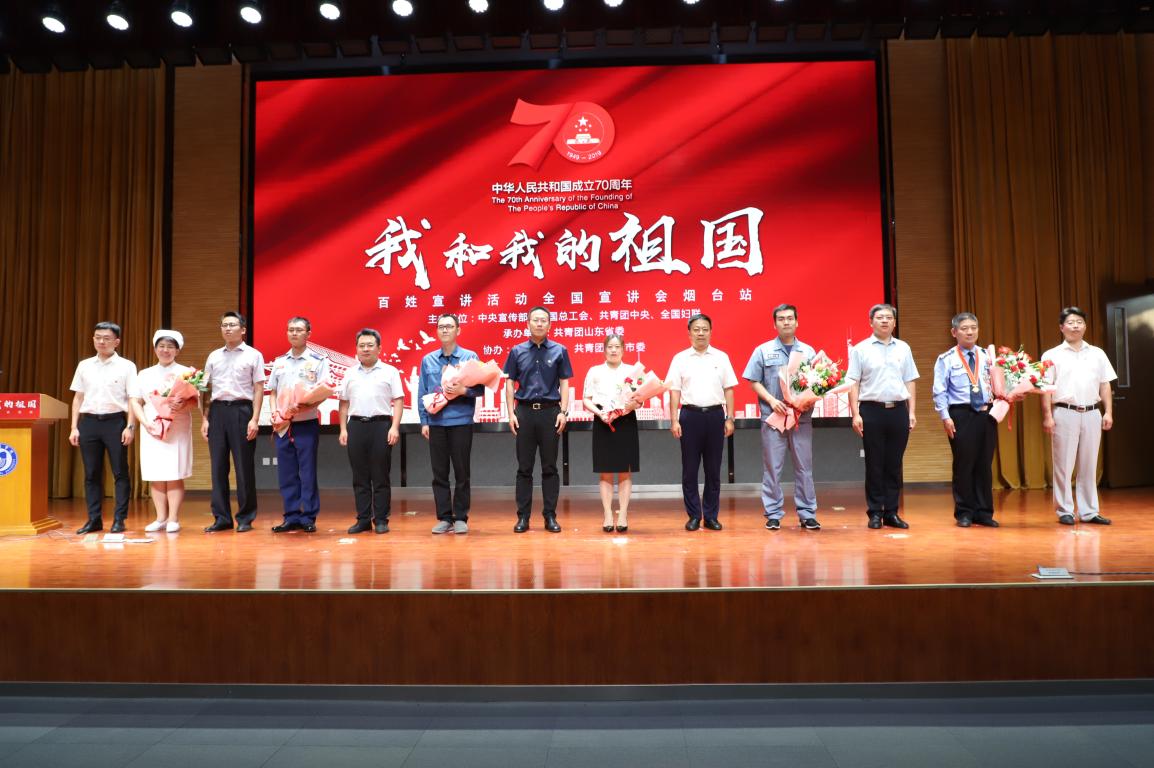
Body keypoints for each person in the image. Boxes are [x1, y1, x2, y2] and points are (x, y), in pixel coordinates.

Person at [742, 303, 821, 531]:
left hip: (800, 419)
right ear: (774, 324)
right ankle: (773, 514)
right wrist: (771, 400)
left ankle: (807, 513)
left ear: (797, 322)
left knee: (804, 468)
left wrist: (805, 401)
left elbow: (817, 383)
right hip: (773, 418)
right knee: (772, 468)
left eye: (790, 318)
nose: (786, 322)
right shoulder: (763, 350)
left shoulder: (808, 351)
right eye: (781, 319)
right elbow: (753, 381)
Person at [1041, 306, 1117, 526]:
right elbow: (1045, 388)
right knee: (1063, 464)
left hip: (1092, 412)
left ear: (1085, 326)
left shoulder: (1097, 353)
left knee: (1089, 463)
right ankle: (1064, 510)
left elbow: (1105, 385)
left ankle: (1089, 511)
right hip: (1064, 412)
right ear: (1061, 327)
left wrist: (1108, 412)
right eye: (1070, 322)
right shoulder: (1051, 355)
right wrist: (1047, 416)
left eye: (1079, 322)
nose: (1075, 326)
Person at [847, 303, 919, 529]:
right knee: (875, 464)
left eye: (889, 317)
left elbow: (910, 380)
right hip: (871, 411)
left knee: (894, 464)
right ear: (871, 322)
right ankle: (875, 513)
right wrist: (855, 414)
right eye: (880, 317)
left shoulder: (903, 348)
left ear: (894, 322)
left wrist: (911, 411)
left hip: (898, 411)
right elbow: (853, 383)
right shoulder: (860, 349)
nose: (885, 320)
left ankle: (892, 512)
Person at [503, 306, 573, 533]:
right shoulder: (517, 351)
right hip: (524, 413)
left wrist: (563, 411)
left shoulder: (560, 350)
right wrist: (511, 414)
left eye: (544, 320)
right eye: (535, 320)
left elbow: (564, 383)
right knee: (524, 468)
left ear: (550, 325)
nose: (540, 323)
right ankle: (523, 517)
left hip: (550, 413)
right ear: (528, 324)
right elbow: (509, 383)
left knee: (550, 467)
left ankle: (550, 516)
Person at [667, 314, 738, 532]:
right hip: (690, 416)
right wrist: (674, 420)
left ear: (711, 332)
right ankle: (694, 516)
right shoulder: (680, 359)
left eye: (705, 329)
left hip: (715, 416)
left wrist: (730, 417)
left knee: (713, 470)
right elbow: (674, 391)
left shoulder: (721, 357)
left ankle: (711, 516)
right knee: (689, 470)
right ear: (689, 333)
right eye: (696, 329)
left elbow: (729, 389)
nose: (700, 333)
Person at [68, 321, 137, 535]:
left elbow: (133, 398)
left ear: (117, 342)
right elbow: (78, 398)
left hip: (115, 422)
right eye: (97, 337)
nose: (101, 341)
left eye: (106, 338)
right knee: (91, 474)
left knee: (120, 472)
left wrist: (130, 427)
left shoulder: (127, 366)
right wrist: (74, 427)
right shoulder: (84, 365)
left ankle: (119, 519)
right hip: (88, 423)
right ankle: (94, 519)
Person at [931, 313, 999, 528]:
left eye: (973, 328)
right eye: (964, 328)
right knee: (964, 464)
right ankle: (965, 512)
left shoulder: (988, 357)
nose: (970, 332)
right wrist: (945, 417)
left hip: (987, 414)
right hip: (961, 414)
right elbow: (939, 391)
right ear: (954, 332)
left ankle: (984, 512)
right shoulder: (946, 359)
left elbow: (1000, 384)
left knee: (984, 464)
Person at [201, 311, 265, 533]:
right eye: (224, 325)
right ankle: (222, 518)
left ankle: (246, 517)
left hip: (242, 411)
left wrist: (255, 419)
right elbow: (205, 389)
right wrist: (205, 418)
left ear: (243, 329)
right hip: (217, 412)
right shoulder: (213, 356)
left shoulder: (254, 355)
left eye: (232, 325)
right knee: (218, 467)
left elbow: (259, 389)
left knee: (243, 467)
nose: (227, 328)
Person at [418, 313, 481, 535]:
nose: (445, 330)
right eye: (441, 327)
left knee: (462, 472)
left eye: (449, 326)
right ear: (437, 331)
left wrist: (463, 390)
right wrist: (424, 421)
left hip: (461, 421)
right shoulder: (428, 360)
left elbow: (480, 389)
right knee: (439, 473)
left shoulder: (469, 357)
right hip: (436, 423)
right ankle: (444, 517)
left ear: (458, 330)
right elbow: (422, 392)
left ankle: (461, 517)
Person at [266, 316, 329, 534]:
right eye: (290, 329)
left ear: (308, 334)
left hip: (306, 423)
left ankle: (308, 516)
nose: (294, 333)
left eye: (299, 330)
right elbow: (273, 392)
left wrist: (305, 406)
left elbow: (323, 392)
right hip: (282, 425)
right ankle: (291, 516)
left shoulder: (318, 361)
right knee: (287, 473)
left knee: (307, 472)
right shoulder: (279, 361)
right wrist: (274, 412)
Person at [129, 330, 196, 533]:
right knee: (156, 472)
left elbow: (194, 401)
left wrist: (182, 405)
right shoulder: (144, 374)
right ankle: (160, 518)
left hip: (177, 425)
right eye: (162, 346)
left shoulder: (187, 373)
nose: (165, 350)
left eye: (170, 347)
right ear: (155, 348)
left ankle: (173, 518)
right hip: (152, 426)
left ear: (177, 350)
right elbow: (135, 401)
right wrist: (145, 423)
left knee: (174, 472)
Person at [338, 329, 403, 534]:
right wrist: (343, 429)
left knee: (380, 475)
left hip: (381, 426)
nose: (365, 349)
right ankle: (363, 519)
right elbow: (343, 403)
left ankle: (381, 519)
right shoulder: (349, 373)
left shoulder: (390, 371)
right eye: (361, 345)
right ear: (356, 349)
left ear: (379, 348)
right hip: (356, 426)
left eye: (370, 345)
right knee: (360, 476)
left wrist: (394, 427)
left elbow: (398, 400)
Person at [581, 334, 640, 533]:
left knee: (625, 470)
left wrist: (630, 406)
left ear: (623, 349)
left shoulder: (633, 371)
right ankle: (607, 514)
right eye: (610, 347)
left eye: (617, 347)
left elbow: (640, 399)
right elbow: (586, 399)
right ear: (604, 349)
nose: (613, 350)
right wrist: (600, 414)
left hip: (626, 421)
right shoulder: (595, 371)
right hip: (603, 421)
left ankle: (623, 514)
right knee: (605, 471)